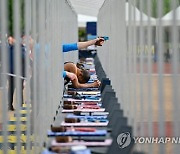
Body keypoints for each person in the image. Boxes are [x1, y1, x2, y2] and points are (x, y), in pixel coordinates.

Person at [7, 36, 26, 111]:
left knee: (13, 89)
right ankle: (19, 105)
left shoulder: (10, 48)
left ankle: (12, 104)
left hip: (13, 72)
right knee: (18, 89)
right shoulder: (19, 49)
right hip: (16, 72)